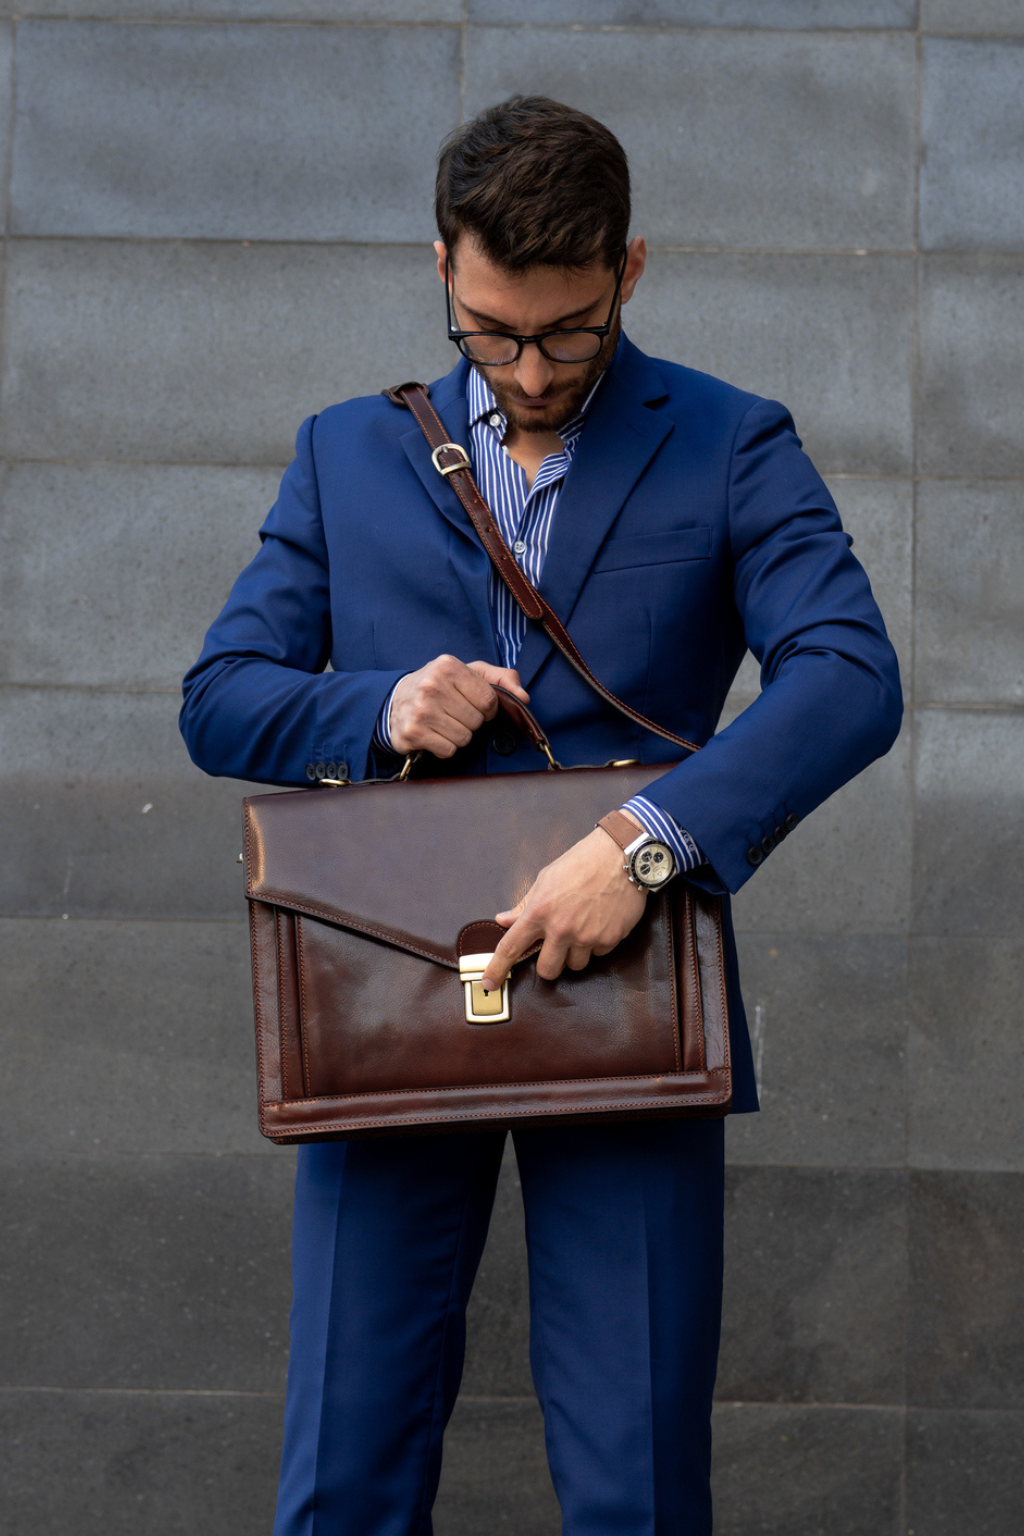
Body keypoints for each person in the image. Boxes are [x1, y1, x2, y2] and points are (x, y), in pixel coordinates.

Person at [180, 95, 901, 1535]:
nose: (527, 371)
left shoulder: (731, 442)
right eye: (491, 334)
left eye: (567, 335)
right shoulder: (344, 451)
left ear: (628, 269)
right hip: (383, 997)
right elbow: (220, 697)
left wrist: (644, 845)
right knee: (344, 1474)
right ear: (443, 267)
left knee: (638, 1487)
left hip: (631, 998)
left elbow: (850, 674)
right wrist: (379, 706)